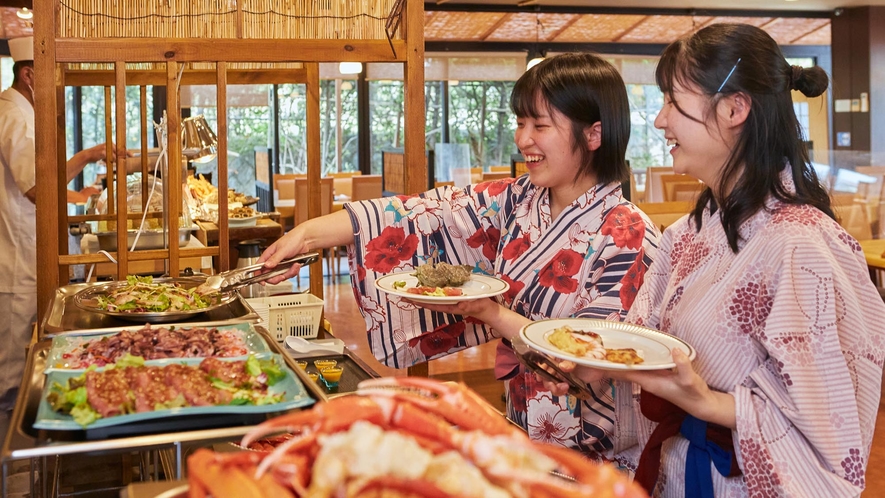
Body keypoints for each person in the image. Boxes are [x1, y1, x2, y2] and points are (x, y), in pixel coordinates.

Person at [259, 53, 660, 459]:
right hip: (524, 433)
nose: (523, 140)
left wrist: (491, 313)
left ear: (593, 135)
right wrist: (305, 236)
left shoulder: (629, 234)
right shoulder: (518, 200)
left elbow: (589, 362)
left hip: (596, 458)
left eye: (540, 125)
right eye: (521, 123)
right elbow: (417, 215)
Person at [546, 23, 885, 497]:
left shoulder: (802, 245)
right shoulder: (687, 234)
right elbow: (649, 344)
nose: (660, 120)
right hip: (677, 472)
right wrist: (601, 366)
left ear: (734, 108)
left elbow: (830, 426)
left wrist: (707, 403)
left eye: (673, 101)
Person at [0, 36, 110, 426]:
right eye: (50, 76)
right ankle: (13, 467)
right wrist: (82, 177)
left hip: (27, 251)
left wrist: (87, 158)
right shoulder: (12, 115)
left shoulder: (24, 113)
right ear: (30, 75)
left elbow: (43, 177)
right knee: (12, 376)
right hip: (16, 259)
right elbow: (37, 188)